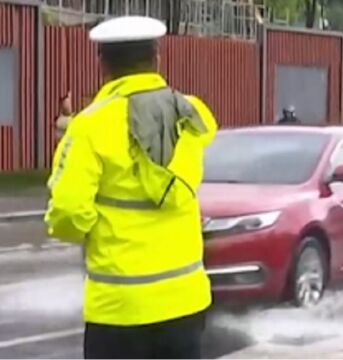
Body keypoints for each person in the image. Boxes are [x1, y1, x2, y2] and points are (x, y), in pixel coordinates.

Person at [45, 16, 217, 359]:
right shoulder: (190, 114)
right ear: (157, 57)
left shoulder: (90, 126)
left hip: (118, 310)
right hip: (185, 304)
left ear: (102, 63)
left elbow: (67, 214)